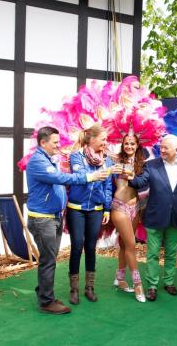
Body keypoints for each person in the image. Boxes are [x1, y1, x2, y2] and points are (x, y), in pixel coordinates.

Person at [26, 126, 108, 314]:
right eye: (55, 142)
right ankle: (47, 302)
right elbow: (61, 177)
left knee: (49, 258)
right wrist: (90, 176)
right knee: (48, 260)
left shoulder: (48, 158)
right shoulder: (39, 161)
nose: (58, 145)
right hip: (43, 220)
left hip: (52, 217)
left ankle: (44, 292)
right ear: (42, 143)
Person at [128, 134, 177, 301]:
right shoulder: (151, 165)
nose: (162, 150)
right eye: (161, 147)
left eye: (166, 148)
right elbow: (140, 181)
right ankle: (151, 286)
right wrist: (130, 177)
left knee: (172, 252)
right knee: (153, 254)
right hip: (155, 217)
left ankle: (169, 282)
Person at [66, 124, 118, 305]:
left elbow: (108, 186)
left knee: (90, 247)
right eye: (103, 139)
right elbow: (81, 175)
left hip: (96, 209)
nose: (105, 142)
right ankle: (74, 289)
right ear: (92, 139)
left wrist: (106, 208)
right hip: (76, 208)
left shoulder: (107, 160)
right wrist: (101, 171)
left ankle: (89, 288)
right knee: (77, 246)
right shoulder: (76, 156)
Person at [111, 133, 147, 303]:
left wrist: (134, 175)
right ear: (122, 144)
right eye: (126, 143)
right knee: (132, 245)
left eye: (132, 144)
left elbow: (143, 183)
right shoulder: (115, 160)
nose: (129, 146)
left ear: (137, 144)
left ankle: (120, 277)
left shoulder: (143, 164)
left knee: (125, 244)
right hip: (119, 206)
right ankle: (138, 283)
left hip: (135, 207)